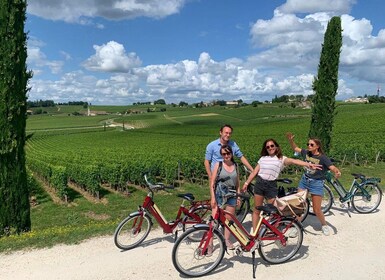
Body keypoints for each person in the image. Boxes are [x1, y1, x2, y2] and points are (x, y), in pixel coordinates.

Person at [242, 138, 322, 234]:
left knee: (276, 210)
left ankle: (277, 228)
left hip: (270, 186)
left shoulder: (281, 159)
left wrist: (308, 164)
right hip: (259, 184)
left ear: (276, 147)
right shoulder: (263, 158)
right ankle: (255, 233)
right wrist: (246, 183)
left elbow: (294, 161)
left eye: (272, 146)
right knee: (256, 209)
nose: (270, 148)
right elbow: (255, 171)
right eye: (268, 147)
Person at [286, 132, 342, 236]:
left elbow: (332, 167)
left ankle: (324, 225)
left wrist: (337, 172)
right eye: (308, 144)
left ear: (317, 146)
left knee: (316, 209)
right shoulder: (307, 153)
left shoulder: (323, 158)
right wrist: (291, 140)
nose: (309, 146)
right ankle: (297, 226)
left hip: (316, 183)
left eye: (311, 145)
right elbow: (296, 149)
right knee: (299, 206)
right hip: (304, 181)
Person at [210, 144, 240, 250]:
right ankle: (210, 243)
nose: (226, 156)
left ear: (231, 153)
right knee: (214, 219)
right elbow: (212, 183)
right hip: (219, 194)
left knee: (229, 219)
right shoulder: (218, 165)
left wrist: (238, 196)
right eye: (223, 154)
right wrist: (213, 197)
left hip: (232, 194)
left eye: (228, 153)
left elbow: (237, 184)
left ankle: (226, 240)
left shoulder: (236, 166)